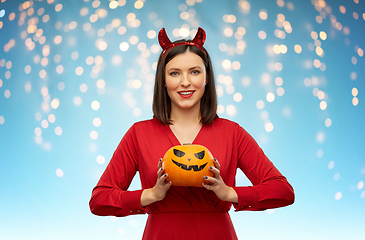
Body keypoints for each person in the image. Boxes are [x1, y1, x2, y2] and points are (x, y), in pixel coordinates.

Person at [89, 27, 295, 240]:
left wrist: (229, 193)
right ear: (163, 80)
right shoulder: (138, 134)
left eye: (194, 72)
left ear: (207, 78)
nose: (185, 82)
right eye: (174, 73)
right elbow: (99, 199)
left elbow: (282, 191)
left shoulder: (233, 133)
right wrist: (151, 194)